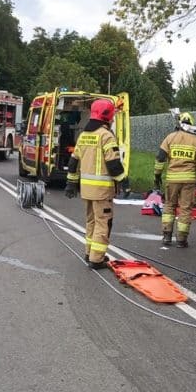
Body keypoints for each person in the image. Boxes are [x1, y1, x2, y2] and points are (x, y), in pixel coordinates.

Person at [64, 99, 126, 269]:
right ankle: (97, 259)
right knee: (103, 223)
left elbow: (73, 161)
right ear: (106, 116)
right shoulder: (106, 135)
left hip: (86, 189)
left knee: (91, 221)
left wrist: (71, 182)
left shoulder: (84, 135)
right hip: (102, 191)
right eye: (112, 116)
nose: (113, 119)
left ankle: (89, 252)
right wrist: (124, 182)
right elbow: (113, 164)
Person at [155, 112, 196, 248]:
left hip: (172, 179)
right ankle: (181, 240)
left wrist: (157, 176)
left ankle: (167, 236)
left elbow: (160, 158)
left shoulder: (170, 138)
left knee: (169, 206)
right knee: (185, 209)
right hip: (189, 181)